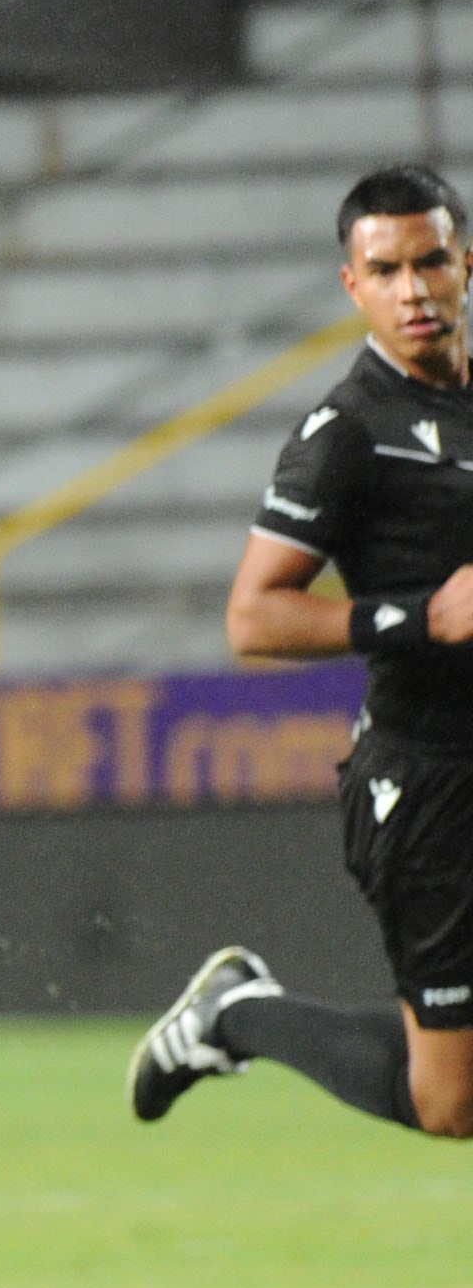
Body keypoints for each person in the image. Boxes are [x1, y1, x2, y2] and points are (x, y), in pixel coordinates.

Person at [134, 164, 473, 1136]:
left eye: (429, 262)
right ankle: (234, 1015)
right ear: (350, 286)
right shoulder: (348, 434)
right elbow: (252, 617)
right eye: (385, 269)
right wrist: (417, 617)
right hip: (426, 790)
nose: (412, 289)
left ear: (462, 266)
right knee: (447, 1101)